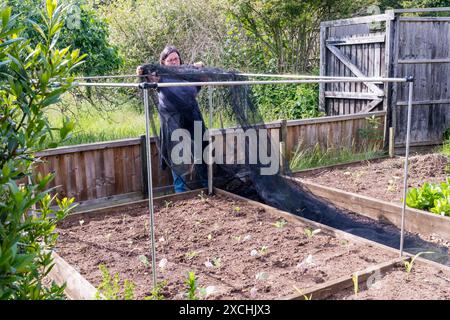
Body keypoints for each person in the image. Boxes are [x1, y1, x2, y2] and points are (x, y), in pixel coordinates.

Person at [136, 45, 208, 193]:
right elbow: (146, 75)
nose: (174, 61)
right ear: (164, 62)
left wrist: (200, 68)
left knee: (201, 149)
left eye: (176, 58)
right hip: (172, 118)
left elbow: (203, 79)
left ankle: (206, 184)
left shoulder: (187, 72)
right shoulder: (159, 74)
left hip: (192, 114)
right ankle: (180, 190)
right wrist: (141, 71)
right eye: (170, 60)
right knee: (177, 154)